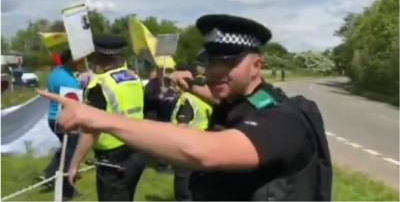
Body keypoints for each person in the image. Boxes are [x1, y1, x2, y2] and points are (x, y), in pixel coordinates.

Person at [38, 14, 332, 201]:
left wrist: (102, 119)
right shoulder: (242, 101)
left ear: (257, 66)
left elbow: (207, 153)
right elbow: (219, 98)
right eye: (212, 61)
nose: (216, 71)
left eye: (229, 62)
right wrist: (189, 84)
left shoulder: (281, 118)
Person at [67, 35, 146, 201]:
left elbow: (90, 130)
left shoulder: (99, 85)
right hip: (136, 148)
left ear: (99, 58)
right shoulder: (133, 77)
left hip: (112, 158)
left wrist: (74, 164)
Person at [40, 49, 81, 200]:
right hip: (65, 119)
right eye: (78, 59)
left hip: (52, 117)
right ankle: (67, 191)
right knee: (71, 154)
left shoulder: (55, 74)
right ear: (70, 60)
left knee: (65, 149)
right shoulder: (70, 80)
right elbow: (74, 104)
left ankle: (49, 173)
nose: (80, 63)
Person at [171, 62, 212, 201]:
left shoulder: (188, 99)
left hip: (187, 148)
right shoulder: (208, 95)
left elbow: (182, 126)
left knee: (183, 185)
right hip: (204, 144)